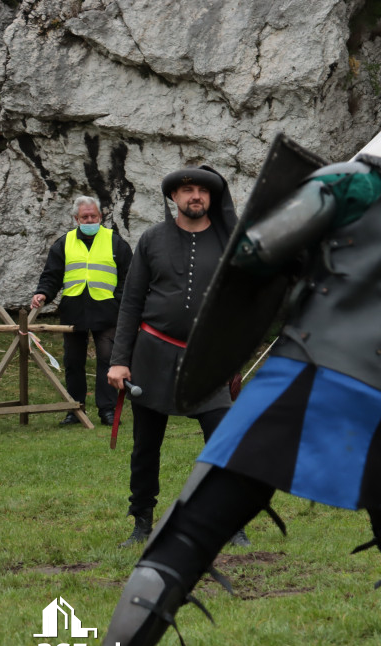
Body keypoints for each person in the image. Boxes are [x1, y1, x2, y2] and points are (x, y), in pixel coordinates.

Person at [85, 69, 381, 646]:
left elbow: (252, 253)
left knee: (189, 533)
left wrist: (311, 256)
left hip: (306, 382)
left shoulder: (353, 183)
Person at [107, 166, 249, 548]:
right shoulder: (152, 239)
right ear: (174, 197)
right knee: (146, 447)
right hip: (152, 356)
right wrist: (119, 359)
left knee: (222, 442)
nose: (196, 196)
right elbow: (131, 302)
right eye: (187, 190)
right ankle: (141, 524)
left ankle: (231, 523)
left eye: (203, 190)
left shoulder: (229, 242)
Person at [31, 196, 132, 426]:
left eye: (93, 216)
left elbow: (129, 277)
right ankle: (74, 410)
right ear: (76, 218)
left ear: (101, 217)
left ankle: (107, 411)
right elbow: (52, 275)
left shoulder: (116, 242)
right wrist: (42, 294)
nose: (89, 220)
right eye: (85, 217)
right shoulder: (63, 243)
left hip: (107, 311)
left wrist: (119, 301)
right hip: (74, 310)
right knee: (73, 362)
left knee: (108, 361)